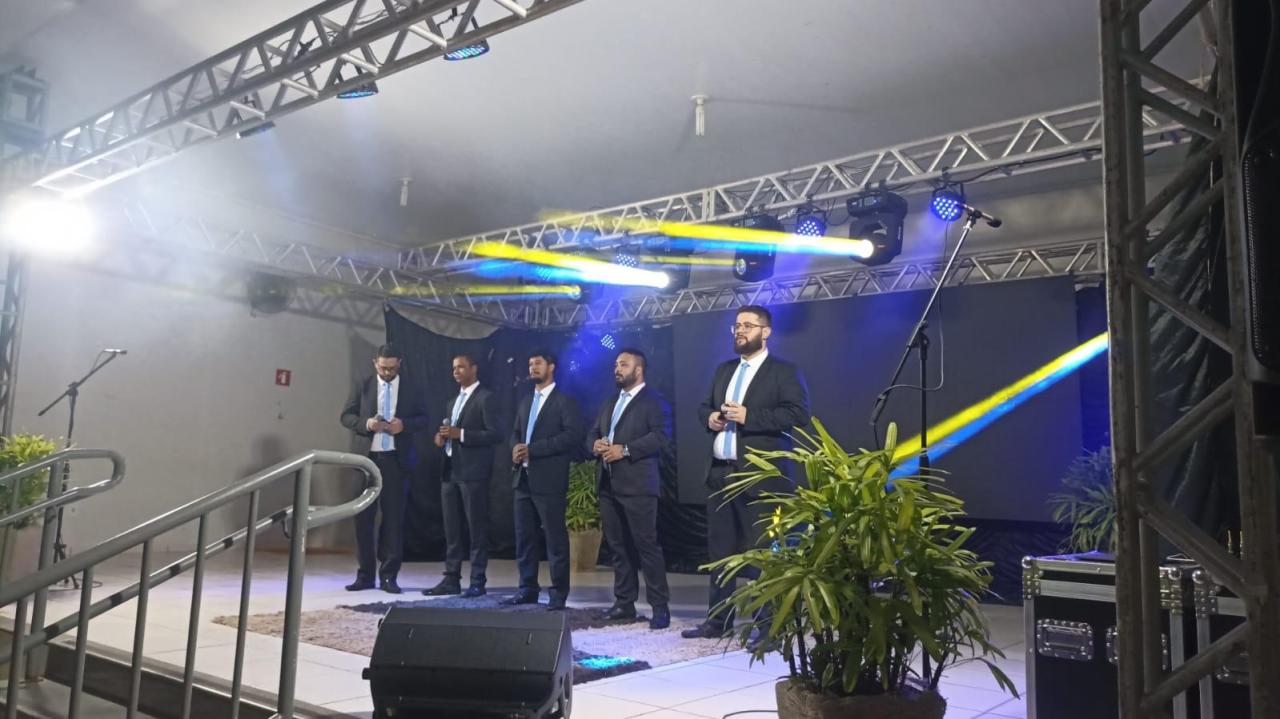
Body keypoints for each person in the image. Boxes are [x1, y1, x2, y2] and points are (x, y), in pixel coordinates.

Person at [681, 305, 810, 641]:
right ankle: (717, 621)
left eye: (748, 325)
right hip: (721, 474)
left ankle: (767, 626)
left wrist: (749, 416)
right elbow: (703, 407)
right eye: (736, 325)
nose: (740, 330)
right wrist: (710, 417)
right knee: (720, 553)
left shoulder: (783, 371)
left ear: (766, 332)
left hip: (761, 479)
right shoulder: (724, 369)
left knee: (763, 553)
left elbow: (798, 414)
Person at [586, 349, 673, 630]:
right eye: (616, 364)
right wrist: (595, 444)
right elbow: (593, 431)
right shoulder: (611, 401)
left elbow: (661, 437)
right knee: (618, 547)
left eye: (623, 364)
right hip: (608, 484)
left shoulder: (654, 400)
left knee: (646, 546)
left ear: (638, 370)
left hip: (638, 485)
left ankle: (660, 607)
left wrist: (625, 450)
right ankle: (624, 602)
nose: (617, 369)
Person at [340, 343, 428, 594]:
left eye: (391, 368)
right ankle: (365, 575)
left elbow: (424, 418)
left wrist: (404, 425)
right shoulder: (363, 384)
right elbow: (346, 416)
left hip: (396, 461)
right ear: (375, 363)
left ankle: (389, 576)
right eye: (382, 368)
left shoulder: (412, 387)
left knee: (393, 520)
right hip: (366, 461)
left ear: (399, 363)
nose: (387, 373)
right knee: (362, 519)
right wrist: (366, 424)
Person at [504, 350, 582, 610]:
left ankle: (558, 593)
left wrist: (533, 450)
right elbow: (515, 432)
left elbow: (571, 436)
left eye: (538, 363)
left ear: (552, 367)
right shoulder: (526, 400)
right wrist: (515, 447)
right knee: (524, 537)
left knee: (554, 539)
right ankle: (527, 588)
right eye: (530, 363)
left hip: (549, 480)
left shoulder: (564, 401)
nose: (532, 367)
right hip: (523, 478)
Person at [424, 354, 502, 598]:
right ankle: (451, 578)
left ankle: (477, 580)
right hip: (450, 470)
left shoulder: (486, 398)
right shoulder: (452, 401)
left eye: (461, 367)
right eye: (454, 368)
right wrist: (442, 438)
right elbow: (451, 432)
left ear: (474, 369)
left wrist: (462, 434)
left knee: (476, 529)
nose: (456, 371)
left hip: (473, 473)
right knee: (452, 529)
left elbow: (495, 434)